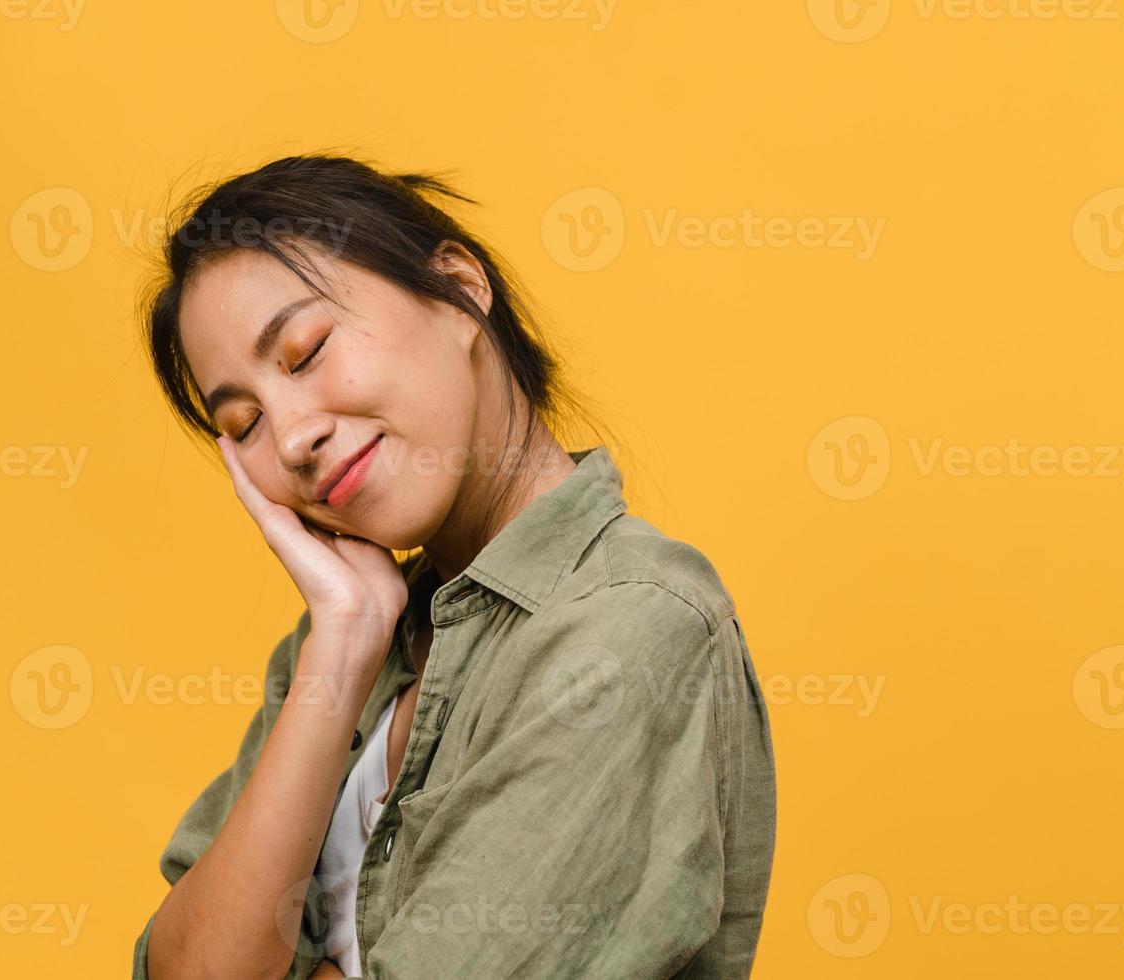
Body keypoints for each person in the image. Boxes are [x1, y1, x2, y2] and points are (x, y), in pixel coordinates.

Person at [129, 154, 777, 979]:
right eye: (244, 420)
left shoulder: (630, 628)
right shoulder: (345, 639)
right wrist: (345, 641)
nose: (291, 437)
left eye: (306, 350)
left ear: (462, 288)